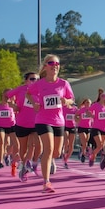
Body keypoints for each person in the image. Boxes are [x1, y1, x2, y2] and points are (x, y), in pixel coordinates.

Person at [26, 54, 74, 193]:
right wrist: (34, 103)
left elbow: (71, 99)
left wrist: (67, 101)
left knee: (57, 152)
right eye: (52, 63)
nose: (55, 66)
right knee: (48, 148)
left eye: (57, 64)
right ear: (46, 66)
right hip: (43, 120)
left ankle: (46, 161)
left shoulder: (64, 83)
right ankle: (46, 182)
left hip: (59, 121)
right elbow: (29, 93)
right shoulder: (39, 84)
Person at [5, 72, 41, 180]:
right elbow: (7, 96)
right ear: (26, 80)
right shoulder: (20, 89)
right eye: (32, 79)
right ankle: (24, 168)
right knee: (23, 150)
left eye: (37, 79)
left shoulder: (40, 90)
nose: (35, 81)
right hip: (22, 123)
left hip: (36, 122)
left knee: (37, 145)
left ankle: (34, 164)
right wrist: (13, 105)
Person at [0, 91, 17, 169]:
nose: (6, 97)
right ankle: (0, 162)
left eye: (8, 95)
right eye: (5, 95)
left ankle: (7, 155)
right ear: (2, 96)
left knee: (15, 143)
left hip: (11, 125)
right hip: (0, 125)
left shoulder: (13, 105)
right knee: (2, 142)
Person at [88, 89, 105, 168]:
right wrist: (91, 115)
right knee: (100, 144)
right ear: (100, 97)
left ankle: (93, 155)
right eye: (102, 95)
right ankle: (93, 156)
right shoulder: (96, 105)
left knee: (101, 146)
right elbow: (88, 111)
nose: (104, 97)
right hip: (96, 127)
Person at [76, 98, 93, 163]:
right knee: (84, 141)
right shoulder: (81, 110)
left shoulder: (92, 110)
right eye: (87, 102)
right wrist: (77, 119)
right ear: (84, 103)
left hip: (88, 128)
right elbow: (76, 116)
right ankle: (83, 154)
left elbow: (94, 117)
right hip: (81, 127)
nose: (88, 104)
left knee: (85, 142)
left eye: (89, 103)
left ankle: (82, 152)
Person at [62, 102, 79, 168]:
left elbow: (78, 118)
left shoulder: (75, 109)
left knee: (71, 146)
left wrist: (77, 118)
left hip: (72, 127)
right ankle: (63, 152)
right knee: (66, 142)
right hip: (65, 126)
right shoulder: (63, 108)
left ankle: (66, 159)